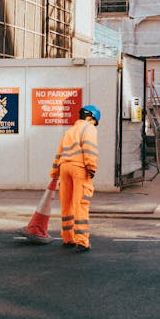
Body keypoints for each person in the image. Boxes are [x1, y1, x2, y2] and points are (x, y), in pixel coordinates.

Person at [50, 105, 100, 252]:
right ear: (91, 117)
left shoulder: (69, 131)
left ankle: (68, 238)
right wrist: (91, 168)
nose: (94, 125)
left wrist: (54, 173)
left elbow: (58, 153)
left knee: (66, 204)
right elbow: (89, 148)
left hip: (64, 168)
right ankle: (82, 241)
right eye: (94, 121)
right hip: (79, 168)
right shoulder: (89, 129)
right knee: (80, 204)